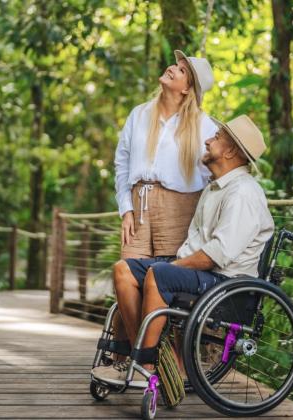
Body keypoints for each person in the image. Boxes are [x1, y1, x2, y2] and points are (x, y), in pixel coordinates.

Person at [94, 115, 275, 384]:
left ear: (230, 150)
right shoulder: (215, 188)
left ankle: (145, 365)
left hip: (224, 282)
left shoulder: (243, 193)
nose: (207, 139)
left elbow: (218, 254)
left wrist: (171, 267)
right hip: (202, 273)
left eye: (216, 137)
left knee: (160, 274)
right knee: (123, 271)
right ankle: (147, 359)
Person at [106, 50, 218, 363]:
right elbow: (122, 164)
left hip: (182, 210)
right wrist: (125, 208)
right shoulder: (139, 114)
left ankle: (173, 361)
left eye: (181, 70)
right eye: (176, 64)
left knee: (168, 284)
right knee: (128, 276)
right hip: (139, 208)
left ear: (187, 88)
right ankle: (144, 357)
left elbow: (215, 173)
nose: (173, 68)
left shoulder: (205, 126)